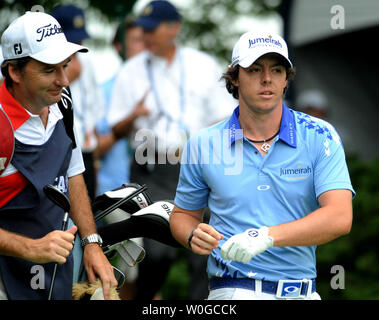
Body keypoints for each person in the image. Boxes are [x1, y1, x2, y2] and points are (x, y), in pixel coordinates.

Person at [170, 30, 355, 300]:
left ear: (285, 80)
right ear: (234, 77)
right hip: (233, 289)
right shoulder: (203, 143)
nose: (267, 79)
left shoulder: (319, 135)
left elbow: (339, 217)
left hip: (304, 291)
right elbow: (183, 216)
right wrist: (191, 235)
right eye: (255, 69)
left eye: (277, 70)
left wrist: (267, 236)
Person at [107, 0, 235, 299]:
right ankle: (146, 300)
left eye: (153, 30)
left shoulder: (201, 64)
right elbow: (115, 128)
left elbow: (226, 117)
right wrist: (133, 114)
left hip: (199, 165)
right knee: (156, 250)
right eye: (143, 30)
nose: (147, 36)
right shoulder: (132, 70)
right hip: (151, 166)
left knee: (203, 248)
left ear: (174, 28)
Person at [0, 11, 117, 300]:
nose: (64, 80)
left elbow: (73, 173)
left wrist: (92, 243)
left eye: (65, 66)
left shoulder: (62, 104)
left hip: (51, 274)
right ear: (15, 71)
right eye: (49, 70)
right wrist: (30, 248)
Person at [96, 18, 145, 300]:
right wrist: (128, 120)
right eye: (137, 40)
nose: (145, 45)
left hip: (155, 189)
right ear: (118, 47)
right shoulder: (104, 92)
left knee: (157, 260)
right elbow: (93, 151)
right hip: (115, 193)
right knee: (132, 263)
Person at [51, 5, 106, 202]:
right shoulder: (45, 66)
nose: (77, 44)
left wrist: (96, 164)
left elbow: (94, 117)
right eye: (72, 39)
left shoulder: (87, 63)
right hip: (58, 153)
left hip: (86, 154)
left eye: (79, 39)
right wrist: (67, 76)